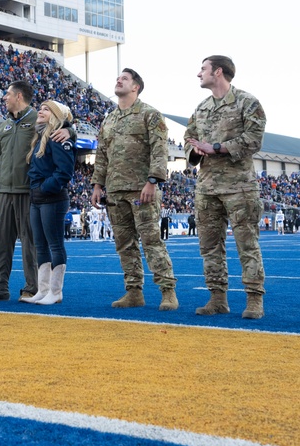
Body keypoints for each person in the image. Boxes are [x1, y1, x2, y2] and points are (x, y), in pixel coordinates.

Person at [184, 56, 268, 319]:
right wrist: (194, 150)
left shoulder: (247, 102)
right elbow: (189, 137)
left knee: (247, 244)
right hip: (207, 187)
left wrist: (217, 147)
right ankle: (217, 297)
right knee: (209, 246)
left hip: (240, 186)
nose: (199, 73)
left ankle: (254, 299)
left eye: (203, 69)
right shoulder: (201, 108)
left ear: (218, 72)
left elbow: (254, 139)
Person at [0, 81, 73, 303]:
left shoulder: (37, 119)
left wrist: (70, 130)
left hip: (28, 191)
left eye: (7, 94)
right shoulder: (4, 126)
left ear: (19, 96)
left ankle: (34, 288)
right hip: (4, 192)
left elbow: (62, 125)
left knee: (32, 243)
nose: (4, 98)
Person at [91, 68, 178, 311]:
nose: (118, 80)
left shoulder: (150, 114)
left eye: (124, 79)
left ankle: (167, 291)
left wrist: (152, 180)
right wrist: (97, 184)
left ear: (135, 87)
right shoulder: (109, 119)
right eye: (118, 77)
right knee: (124, 244)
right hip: (115, 191)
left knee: (151, 241)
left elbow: (159, 149)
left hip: (142, 189)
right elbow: (101, 155)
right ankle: (134, 291)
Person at [24, 100, 76, 305]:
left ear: (55, 115)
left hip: (52, 198)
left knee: (55, 244)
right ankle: (43, 289)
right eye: (41, 108)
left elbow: (65, 172)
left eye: (47, 109)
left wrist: (45, 187)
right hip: (38, 198)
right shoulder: (41, 136)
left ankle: (55, 291)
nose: (41, 111)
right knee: (40, 246)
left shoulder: (58, 136)